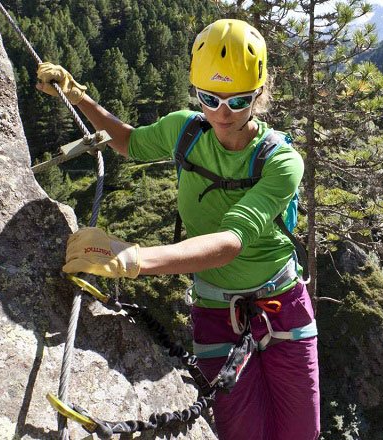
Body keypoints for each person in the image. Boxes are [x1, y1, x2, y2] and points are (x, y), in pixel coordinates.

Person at [35, 19, 319, 440]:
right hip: (216, 311)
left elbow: (230, 242)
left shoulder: (281, 161)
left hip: (283, 305)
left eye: (238, 101)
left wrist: (132, 258)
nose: (223, 113)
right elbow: (129, 141)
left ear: (260, 94)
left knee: (301, 434)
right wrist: (79, 98)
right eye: (210, 98)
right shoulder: (184, 130)